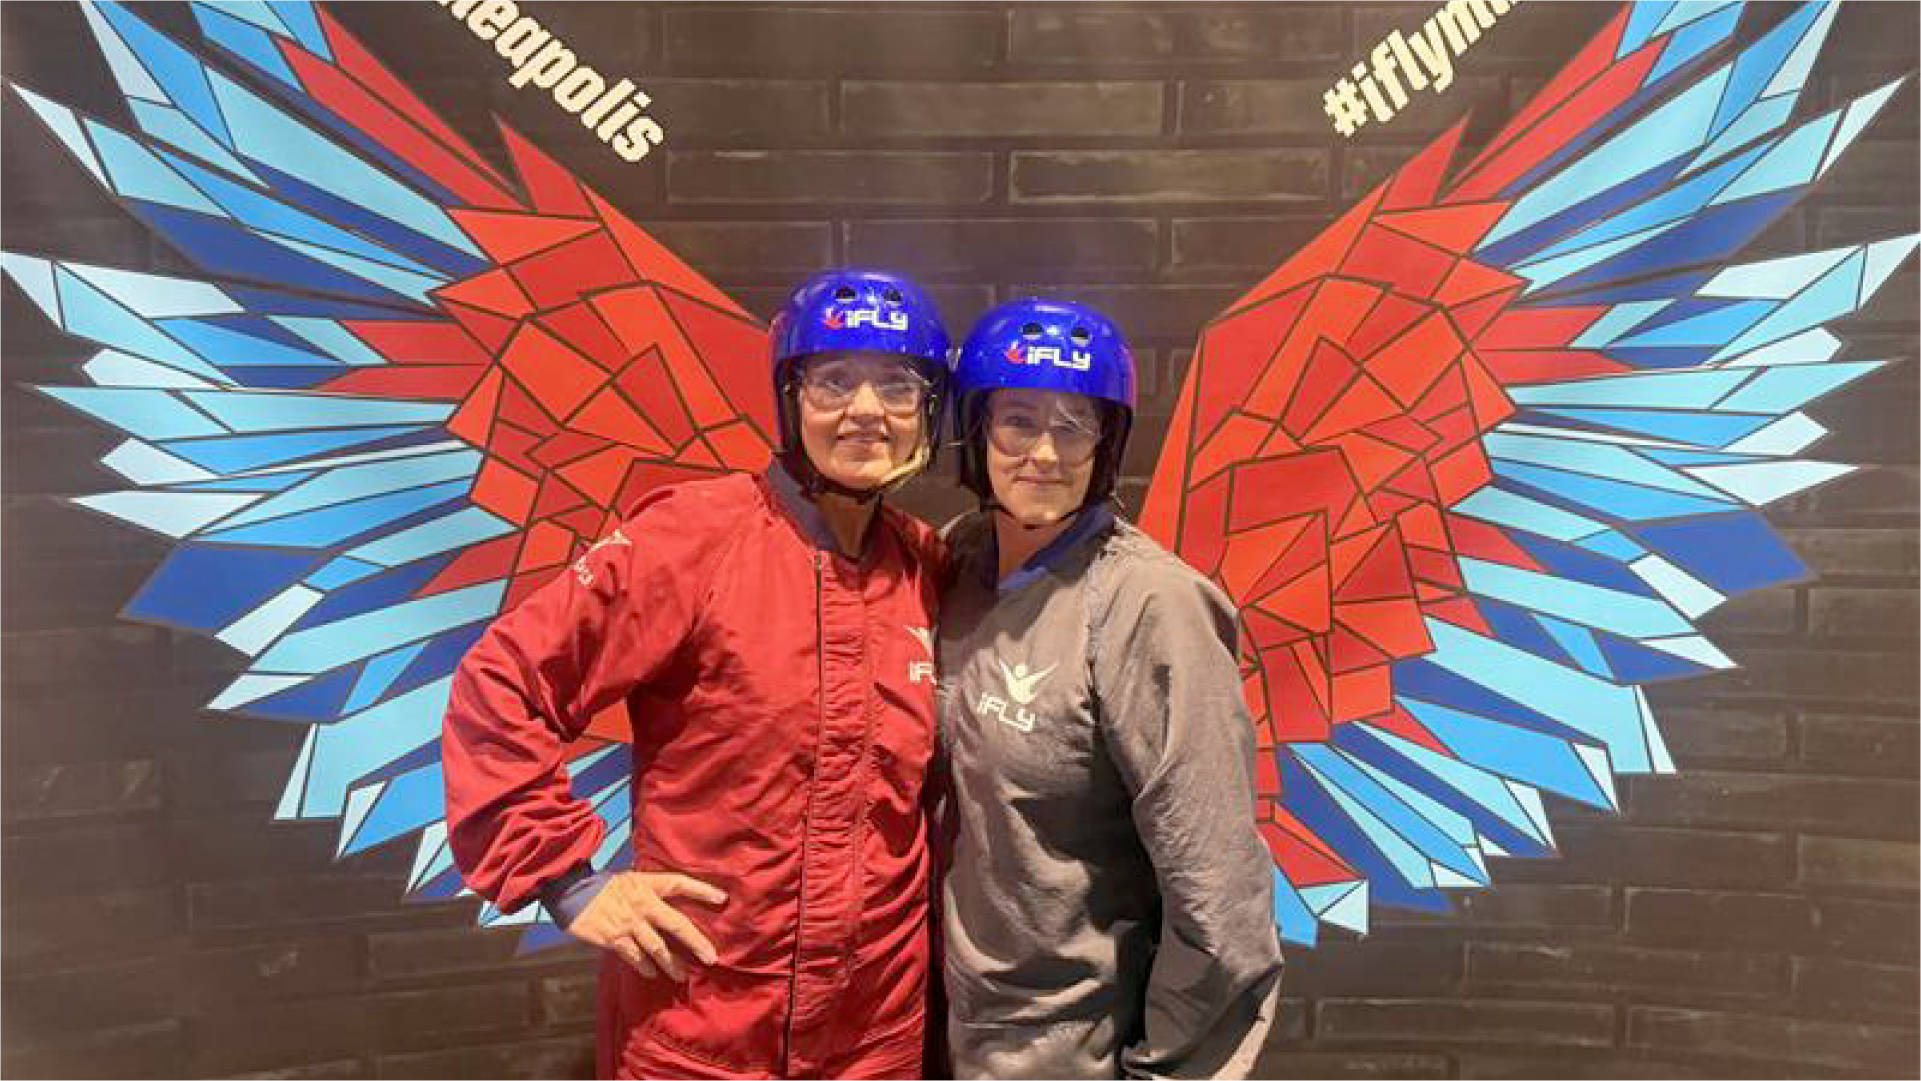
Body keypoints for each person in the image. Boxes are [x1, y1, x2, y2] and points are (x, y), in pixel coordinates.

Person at [442, 269, 952, 1079]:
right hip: (704, 1027)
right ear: (791, 399)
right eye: (833, 380)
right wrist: (567, 880)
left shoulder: (929, 565)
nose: (865, 409)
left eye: (896, 384)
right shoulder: (693, 536)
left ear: (928, 408)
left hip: (874, 1031)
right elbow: (503, 683)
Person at [934, 298, 1285, 1079]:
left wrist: (1167, 1069)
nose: (1045, 452)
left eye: (1074, 424)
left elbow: (1218, 891)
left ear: (1107, 441)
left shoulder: (1149, 604)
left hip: (1070, 1048)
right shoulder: (955, 567)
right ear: (975, 431)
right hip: (937, 1028)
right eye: (1018, 420)